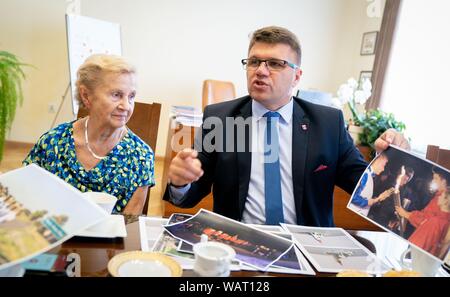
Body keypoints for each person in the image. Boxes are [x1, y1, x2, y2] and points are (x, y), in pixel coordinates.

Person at [165, 26, 409, 226]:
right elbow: (189, 195)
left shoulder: (327, 124)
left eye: (275, 64)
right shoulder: (222, 118)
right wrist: (180, 182)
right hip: (238, 241)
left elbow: (365, 189)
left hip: (307, 247)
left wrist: (392, 157)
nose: (261, 71)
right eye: (254, 62)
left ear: (297, 76)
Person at [23, 54, 154, 215]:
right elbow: (24, 199)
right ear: (86, 96)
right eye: (116, 95)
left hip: (111, 239)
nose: (126, 106)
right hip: (53, 236)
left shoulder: (141, 155)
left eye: (131, 96)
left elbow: (130, 224)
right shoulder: (52, 143)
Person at [396, 168, 450, 258]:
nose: (433, 181)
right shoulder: (439, 196)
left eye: (435, 178)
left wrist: (406, 214)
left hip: (422, 246)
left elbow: (425, 220)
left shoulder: (442, 200)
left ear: (444, 181)